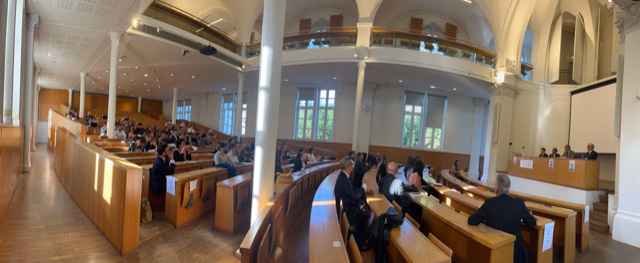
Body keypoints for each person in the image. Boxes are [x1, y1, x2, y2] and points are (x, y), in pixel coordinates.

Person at [468, 174, 536, 263]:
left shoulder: (489, 203)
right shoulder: (519, 203)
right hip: (515, 254)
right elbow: (532, 223)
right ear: (508, 188)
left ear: (496, 189)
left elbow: (471, 220)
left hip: (495, 250)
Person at [334, 156, 373, 246]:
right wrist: (364, 186)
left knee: (367, 211)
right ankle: (359, 242)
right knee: (369, 215)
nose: (353, 166)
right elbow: (354, 195)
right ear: (349, 166)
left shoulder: (343, 176)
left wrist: (364, 190)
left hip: (347, 205)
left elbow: (351, 189)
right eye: (352, 164)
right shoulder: (343, 179)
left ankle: (360, 238)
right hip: (348, 209)